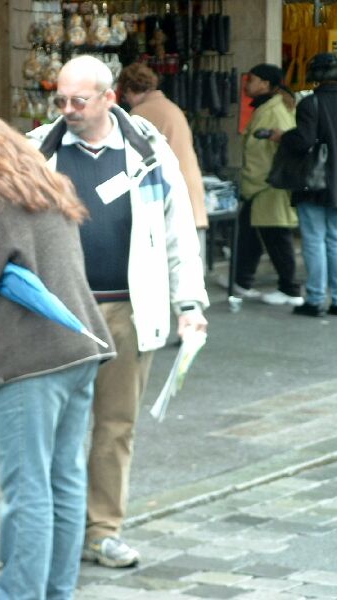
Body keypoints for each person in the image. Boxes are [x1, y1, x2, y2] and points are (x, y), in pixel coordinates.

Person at [28, 55, 209, 568]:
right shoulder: (37, 149)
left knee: (114, 426)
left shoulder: (148, 150)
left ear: (109, 98)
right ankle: (50, 531)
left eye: (78, 100)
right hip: (58, 314)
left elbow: (178, 233)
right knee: (51, 431)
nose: (67, 109)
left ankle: (102, 530)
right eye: (60, 100)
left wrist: (190, 304)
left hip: (128, 313)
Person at [0, 114, 115, 599]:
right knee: (65, 480)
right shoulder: (52, 187)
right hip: (79, 347)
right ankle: (58, 592)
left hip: (33, 358)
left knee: (28, 491)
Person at [274, 52, 337, 317]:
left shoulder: (310, 103)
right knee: (335, 240)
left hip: (312, 181)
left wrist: (282, 137)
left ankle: (314, 299)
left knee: (314, 240)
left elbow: (303, 140)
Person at [118, 62, 209, 265]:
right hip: (190, 191)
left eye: (125, 95)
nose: (127, 101)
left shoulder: (140, 114)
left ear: (130, 89)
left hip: (168, 195)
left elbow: (132, 160)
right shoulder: (170, 107)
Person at [235, 63, 303, 306]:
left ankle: (290, 289)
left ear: (265, 84)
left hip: (268, 184)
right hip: (262, 184)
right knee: (250, 234)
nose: (246, 84)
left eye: (251, 80)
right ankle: (242, 281)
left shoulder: (275, 112)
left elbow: (282, 150)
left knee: (276, 236)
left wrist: (253, 180)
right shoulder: (267, 108)